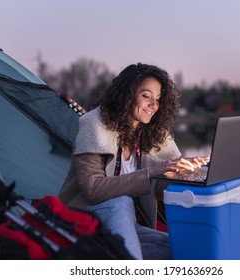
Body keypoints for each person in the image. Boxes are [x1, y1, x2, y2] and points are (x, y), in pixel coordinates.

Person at [58, 63, 208, 260]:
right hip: (85, 219)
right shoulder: (94, 124)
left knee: (184, 250)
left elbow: (158, 187)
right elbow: (92, 190)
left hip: (125, 225)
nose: (154, 105)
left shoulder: (152, 132)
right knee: (120, 202)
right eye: (146, 96)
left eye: (158, 99)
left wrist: (183, 175)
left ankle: (115, 257)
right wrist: (153, 172)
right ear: (126, 95)